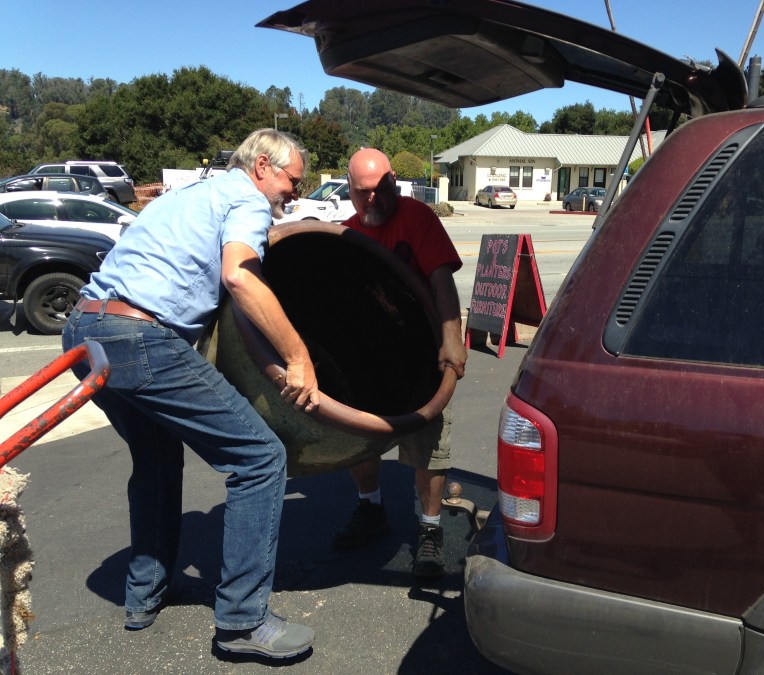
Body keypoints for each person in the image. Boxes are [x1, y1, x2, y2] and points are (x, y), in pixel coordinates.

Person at [62, 129, 320, 661]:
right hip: (138, 336)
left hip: (85, 331)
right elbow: (241, 278)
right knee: (260, 458)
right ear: (262, 166)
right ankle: (242, 620)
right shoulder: (247, 200)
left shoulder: (190, 194)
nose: (294, 192)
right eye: (293, 180)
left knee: (157, 459)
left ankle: (145, 595)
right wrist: (298, 357)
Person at [331, 148, 467, 578]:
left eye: (380, 188)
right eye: (362, 191)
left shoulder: (417, 218)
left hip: (423, 352)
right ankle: (370, 508)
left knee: (430, 442)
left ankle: (430, 529)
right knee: (357, 435)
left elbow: (441, 280)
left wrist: (452, 339)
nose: (372, 198)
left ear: (393, 181)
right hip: (372, 357)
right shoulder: (345, 235)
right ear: (350, 190)